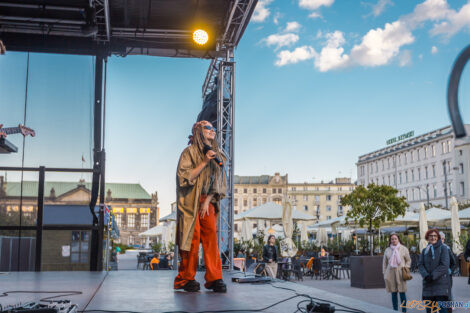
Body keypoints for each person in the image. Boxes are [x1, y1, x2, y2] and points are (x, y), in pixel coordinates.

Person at [174, 120, 227, 293]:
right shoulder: (188, 153)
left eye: (213, 128)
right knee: (192, 236)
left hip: (206, 200)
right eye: (208, 128)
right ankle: (186, 278)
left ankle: (214, 278)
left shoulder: (217, 154)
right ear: (198, 131)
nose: (212, 130)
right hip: (190, 199)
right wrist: (204, 161)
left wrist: (206, 201)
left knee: (211, 236)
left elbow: (218, 181)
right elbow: (184, 178)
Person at [418, 229, 450, 313]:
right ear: (427, 237)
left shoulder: (443, 248)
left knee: (442, 310)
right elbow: (420, 265)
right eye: (431, 236)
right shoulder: (425, 250)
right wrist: (426, 275)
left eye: (435, 236)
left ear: (438, 237)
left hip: (440, 284)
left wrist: (433, 276)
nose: (433, 237)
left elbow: (444, 265)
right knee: (430, 310)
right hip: (428, 284)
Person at [382, 233, 411, 312]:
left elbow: (408, 260)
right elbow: (384, 262)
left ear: (398, 239)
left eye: (395, 239)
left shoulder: (404, 248)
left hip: (401, 273)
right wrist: (384, 273)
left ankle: (404, 311)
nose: (394, 240)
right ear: (390, 240)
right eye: (392, 239)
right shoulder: (387, 250)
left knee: (402, 293)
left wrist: (406, 268)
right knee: (393, 293)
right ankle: (395, 310)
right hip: (390, 273)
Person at [439, 231, 456, 298]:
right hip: (437, 275)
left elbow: (453, 262)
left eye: (442, 239)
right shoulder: (432, 248)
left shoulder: (447, 248)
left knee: (448, 291)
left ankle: (450, 305)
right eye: (439, 238)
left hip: (446, 274)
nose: (441, 240)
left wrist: (450, 271)